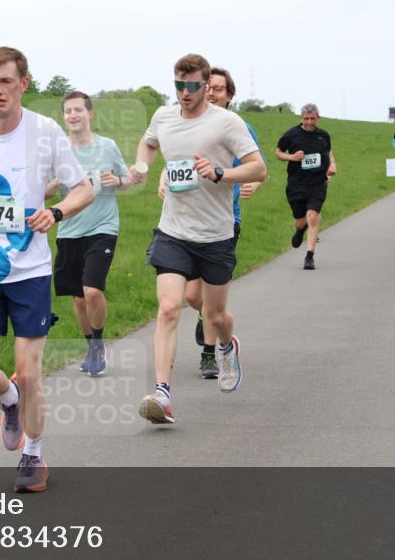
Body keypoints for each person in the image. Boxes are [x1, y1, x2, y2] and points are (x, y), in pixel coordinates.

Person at [0, 46, 94, 493]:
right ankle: (7, 400)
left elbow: (82, 189)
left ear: (23, 84)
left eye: (6, 81)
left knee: (30, 373)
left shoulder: (45, 133)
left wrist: (57, 213)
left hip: (29, 272)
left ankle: (34, 457)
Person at [129, 53, 266, 424]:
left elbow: (259, 169)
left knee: (214, 313)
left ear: (207, 86)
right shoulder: (164, 116)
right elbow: (150, 143)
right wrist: (143, 167)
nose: (185, 93)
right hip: (173, 230)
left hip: (216, 233)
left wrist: (220, 172)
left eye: (192, 86)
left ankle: (225, 345)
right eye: (179, 85)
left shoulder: (226, 123)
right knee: (170, 307)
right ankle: (162, 394)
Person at [174, 67, 263, 379]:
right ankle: (208, 317)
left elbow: (256, 167)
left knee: (211, 303)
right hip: (186, 222)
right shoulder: (184, 124)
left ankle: (210, 353)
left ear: (229, 96)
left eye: (219, 89)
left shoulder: (238, 126)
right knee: (191, 297)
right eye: (208, 87)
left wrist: (253, 185)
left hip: (224, 221)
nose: (212, 93)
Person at [47, 91, 131, 377]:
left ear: (90, 114)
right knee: (78, 297)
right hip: (69, 229)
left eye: (78, 110)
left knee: (92, 289)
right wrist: (58, 180)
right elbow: (42, 191)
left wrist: (117, 180)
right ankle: (90, 347)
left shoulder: (108, 147)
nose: (73, 115)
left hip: (103, 227)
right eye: (68, 111)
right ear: (64, 117)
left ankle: (98, 343)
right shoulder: (58, 152)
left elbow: (128, 178)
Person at [276, 104, 337, 269]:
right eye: (306, 119)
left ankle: (309, 257)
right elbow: (278, 153)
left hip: (318, 183)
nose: (309, 122)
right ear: (301, 118)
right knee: (300, 221)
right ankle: (299, 231)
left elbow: (329, 152)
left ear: (318, 117)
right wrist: (292, 157)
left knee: (312, 217)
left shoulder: (323, 135)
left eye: (312, 118)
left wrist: (332, 164)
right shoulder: (291, 134)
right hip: (296, 185)